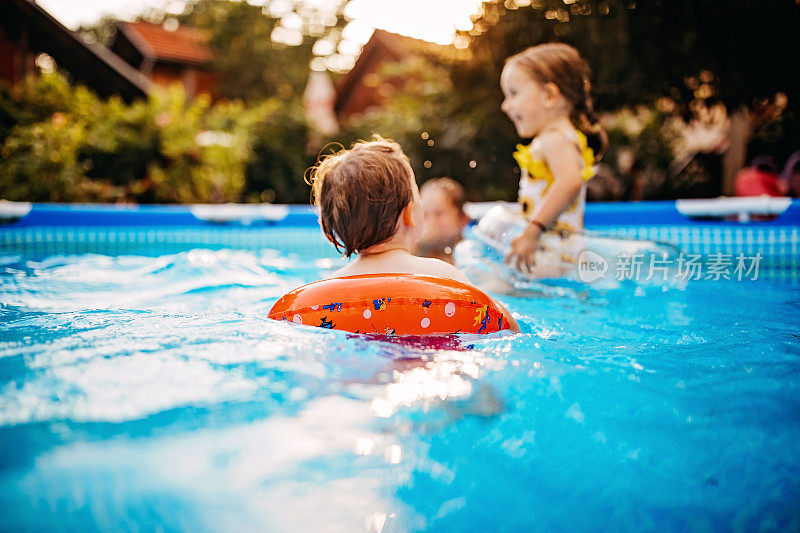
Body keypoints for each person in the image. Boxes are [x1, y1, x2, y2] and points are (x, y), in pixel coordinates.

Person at [307, 136, 519, 331]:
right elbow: (506, 326)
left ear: (331, 230)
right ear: (409, 214)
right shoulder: (445, 277)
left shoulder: (324, 292)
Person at [499, 43, 606, 273]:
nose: (505, 106)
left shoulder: (554, 139)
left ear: (549, 95)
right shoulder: (563, 137)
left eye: (513, 93)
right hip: (559, 254)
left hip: (551, 253)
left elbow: (570, 182)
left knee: (489, 289)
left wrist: (532, 231)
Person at [414, 177, 470, 264]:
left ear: (463, 218)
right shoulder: (416, 251)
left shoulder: (471, 255)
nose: (431, 223)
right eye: (425, 214)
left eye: (439, 214)